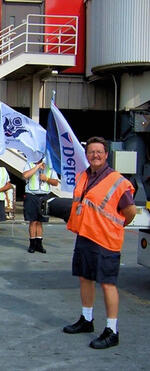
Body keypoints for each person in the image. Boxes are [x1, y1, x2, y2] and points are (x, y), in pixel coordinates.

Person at [63, 136, 136, 349]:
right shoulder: (83, 177)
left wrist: (114, 227)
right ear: (87, 155)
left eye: (99, 152)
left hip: (106, 240)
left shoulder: (117, 181)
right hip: (85, 236)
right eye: (91, 152)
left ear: (106, 155)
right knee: (85, 278)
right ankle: (87, 319)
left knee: (107, 284)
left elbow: (129, 212)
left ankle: (112, 331)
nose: (95, 155)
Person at [22, 157, 59, 253]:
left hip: (44, 196)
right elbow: (25, 176)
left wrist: (46, 178)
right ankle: (32, 243)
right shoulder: (29, 164)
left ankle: (39, 243)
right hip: (32, 195)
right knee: (32, 221)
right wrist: (37, 167)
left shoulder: (50, 168)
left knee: (40, 221)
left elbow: (55, 182)